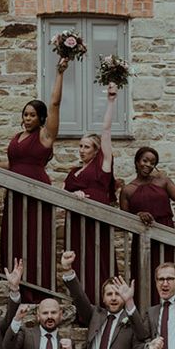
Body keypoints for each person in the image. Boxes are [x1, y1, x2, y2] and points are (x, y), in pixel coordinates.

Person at [0, 58, 68, 300]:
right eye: (25, 114)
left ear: (41, 118)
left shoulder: (45, 135)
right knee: (14, 234)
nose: (27, 118)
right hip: (14, 192)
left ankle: (38, 289)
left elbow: (55, 103)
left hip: (36, 190)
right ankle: (14, 284)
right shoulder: (17, 136)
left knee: (35, 237)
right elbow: (12, 164)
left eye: (32, 115)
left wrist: (60, 73)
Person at [120, 146, 175, 303]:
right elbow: (124, 220)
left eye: (152, 162)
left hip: (165, 237)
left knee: (169, 274)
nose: (148, 165)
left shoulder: (163, 182)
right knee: (144, 276)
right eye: (144, 160)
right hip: (142, 240)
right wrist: (138, 215)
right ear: (137, 162)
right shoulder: (127, 190)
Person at [63, 83, 118, 304]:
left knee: (99, 258)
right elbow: (63, 193)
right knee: (80, 260)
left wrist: (111, 101)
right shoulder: (74, 172)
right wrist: (74, 195)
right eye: (80, 146)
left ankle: (105, 302)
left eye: (86, 147)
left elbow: (105, 131)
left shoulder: (102, 167)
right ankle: (82, 305)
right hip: (77, 221)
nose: (81, 150)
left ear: (96, 150)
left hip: (97, 220)